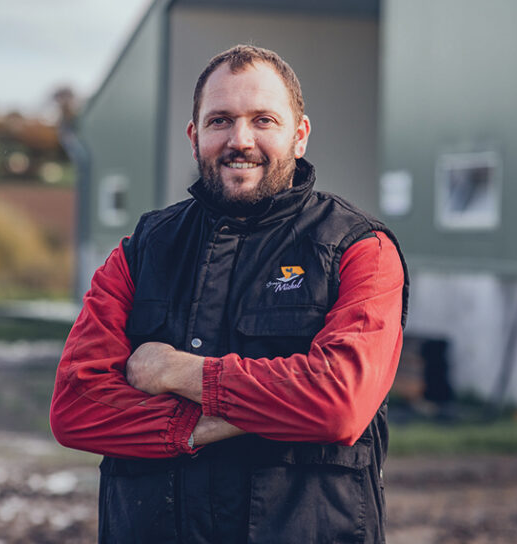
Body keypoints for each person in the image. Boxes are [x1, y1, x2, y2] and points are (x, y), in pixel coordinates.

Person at [50, 44, 409, 543]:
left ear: (299, 135)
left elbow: (338, 402)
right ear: (195, 137)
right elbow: (76, 408)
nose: (241, 140)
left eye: (264, 120)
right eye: (220, 121)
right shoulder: (142, 251)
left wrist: (175, 372)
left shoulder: (359, 249)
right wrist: (219, 421)